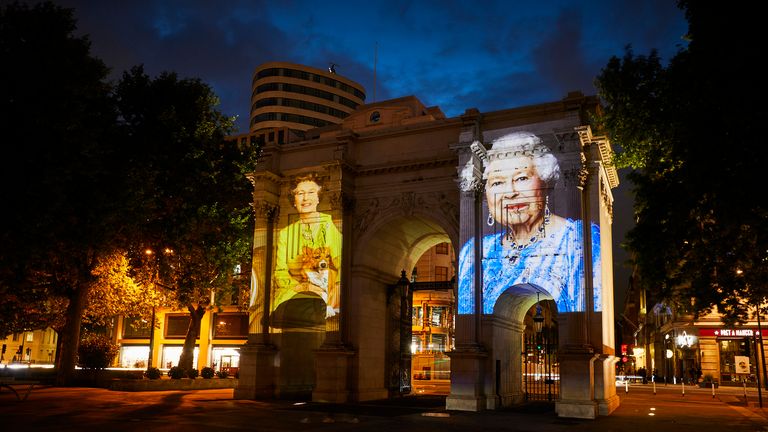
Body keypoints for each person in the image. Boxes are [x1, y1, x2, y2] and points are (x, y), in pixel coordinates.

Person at [457, 131, 601, 314]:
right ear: (485, 193)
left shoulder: (579, 239)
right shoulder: (474, 251)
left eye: (522, 178)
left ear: (545, 181)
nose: (510, 193)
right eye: (497, 183)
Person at [272, 174, 341, 326]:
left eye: (311, 192)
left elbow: (340, 262)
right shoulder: (285, 233)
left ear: (318, 197)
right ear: (294, 200)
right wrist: (303, 287)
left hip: (326, 290)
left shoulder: (329, 224)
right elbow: (280, 272)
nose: (305, 198)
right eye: (300, 193)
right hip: (294, 291)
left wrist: (334, 286)